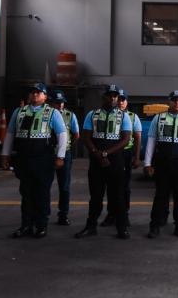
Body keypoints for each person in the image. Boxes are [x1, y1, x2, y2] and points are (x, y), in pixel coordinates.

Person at [1, 83, 67, 238]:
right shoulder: (19, 112)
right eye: (32, 92)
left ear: (45, 97)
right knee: (26, 193)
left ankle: (41, 225)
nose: (35, 95)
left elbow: (62, 135)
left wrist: (60, 156)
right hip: (24, 159)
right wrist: (5, 155)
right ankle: (26, 225)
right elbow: (10, 134)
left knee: (42, 192)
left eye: (39, 93)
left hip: (43, 159)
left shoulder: (53, 113)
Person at [74, 84, 132, 239]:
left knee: (118, 196)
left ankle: (122, 228)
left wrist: (106, 153)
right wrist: (97, 154)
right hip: (96, 162)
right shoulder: (92, 115)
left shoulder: (123, 116)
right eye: (110, 95)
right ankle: (90, 226)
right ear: (104, 97)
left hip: (115, 161)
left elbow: (126, 139)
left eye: (115, 96)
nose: (113, 98)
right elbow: (86, 137)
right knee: (95, 197)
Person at [144, 90, 178, 238]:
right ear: (169, 102)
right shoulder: (159, 118)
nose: (177, 102)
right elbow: (151, 141)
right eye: (174, 100)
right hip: (162, 163)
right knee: (160, 195)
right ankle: (155, 225)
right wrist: (148, 163)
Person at [100, 89, 142, 228]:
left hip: (125, 153)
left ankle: (124, 214)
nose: (121, 102)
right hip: (111, 153)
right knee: (111, 186)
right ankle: (111, 214)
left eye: (123, 99)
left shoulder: (132, 117)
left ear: (127, 102)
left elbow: (137, 138)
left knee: (124, 187)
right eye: (119, 99)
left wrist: (136, 158)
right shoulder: (107, 115)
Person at [48, 90, 80, 226]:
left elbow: (76, 134)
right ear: (51, 103)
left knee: (64, 186)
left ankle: (63, 214)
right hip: (48, 154)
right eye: (57, 102)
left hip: (65, 154)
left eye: (62, 102)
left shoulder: (70, 116)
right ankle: (44, 214)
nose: (60, 105)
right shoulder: (46, 114)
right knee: (45, 185)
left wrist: (66, 146)